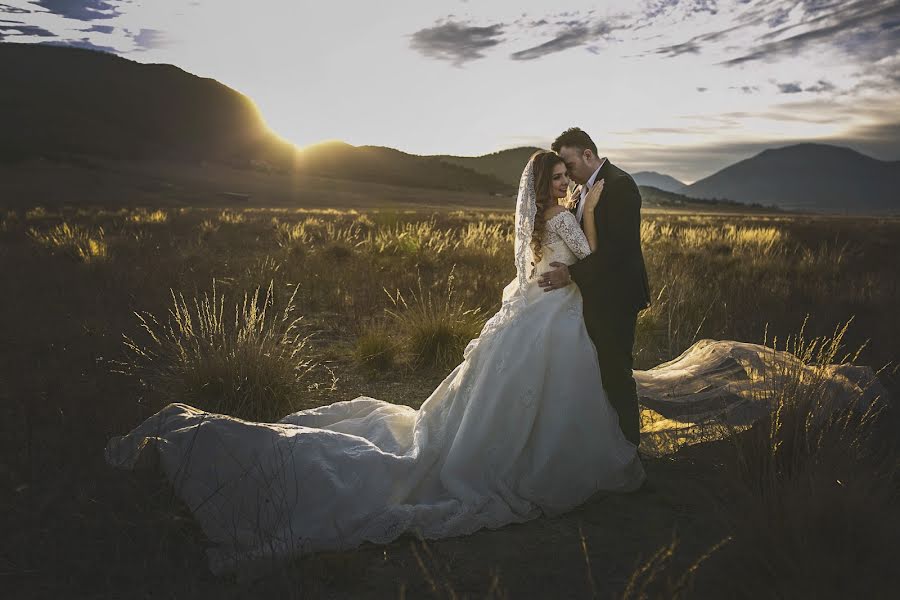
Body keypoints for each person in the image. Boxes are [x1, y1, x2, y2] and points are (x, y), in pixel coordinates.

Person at [105, 151, 645, 575]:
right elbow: (593, 258)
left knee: (507, 397)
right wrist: (585, 219)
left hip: (537, 310)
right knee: (538, 392)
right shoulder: (564, 217)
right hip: (551, 313)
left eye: (562, 176)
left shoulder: (539, 221)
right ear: (541, 186)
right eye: (554, 177)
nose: (561, 183)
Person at [540, 127, 651, 447]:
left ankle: (630, 452)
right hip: (590, 297)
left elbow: (619, 249)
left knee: (616, 374)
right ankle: (601, 447)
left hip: (616, 297)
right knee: (595, 374)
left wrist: (571, 274)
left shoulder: (619, 185)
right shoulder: (581, 191)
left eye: (569, 166)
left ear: (588, 154)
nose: (567, 176)